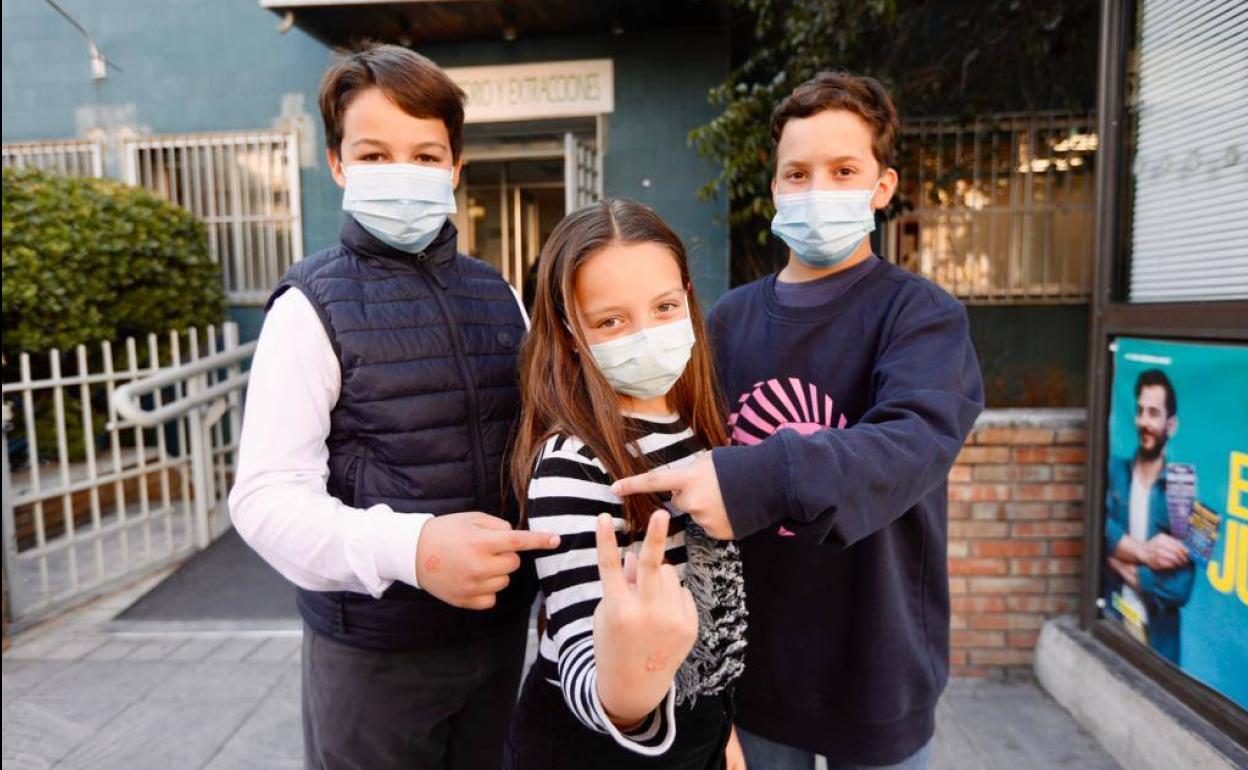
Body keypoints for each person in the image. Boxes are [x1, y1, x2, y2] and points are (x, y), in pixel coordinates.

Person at [613, 72, 985, 769]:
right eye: (798, 172)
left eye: (844, 170)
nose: (818, 189)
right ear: (775, 188)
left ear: (883, 185)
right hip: (753, 671)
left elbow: (912, 441)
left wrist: (761, 475)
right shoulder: (725, 322)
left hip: (877, 668)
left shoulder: (923, 317)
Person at [228, 44, 559, 770]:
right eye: (375, 155)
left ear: (455, 168)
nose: (402, 174)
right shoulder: (309, 306)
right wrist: (410, 550)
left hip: (499, 638)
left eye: (425, 153)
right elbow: (263, 498)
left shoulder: (496, 291)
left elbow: (535, 441)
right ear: (339, 165)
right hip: (375, 656)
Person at [504, 199, 748, 769]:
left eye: (664, 306)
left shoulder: (695, 430)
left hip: (699, 732)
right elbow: (589, 675)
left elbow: (712, 617)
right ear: (569, 331)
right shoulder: (573, 461)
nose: (645, 334)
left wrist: (723, 735)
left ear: (688, 298)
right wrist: (630, 682)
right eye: (611, 320)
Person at [1104, 369, 1194, 664]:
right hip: (1113, 624)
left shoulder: (1183, 491)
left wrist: (1116, 558)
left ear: (1171, 424)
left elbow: (1179, 588)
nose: (1144, 421)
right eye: (1140, 411)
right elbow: (1097, 528)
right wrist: (1145, 553)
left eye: (1153, 413)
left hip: (1159, 649)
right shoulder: (1114, 472)